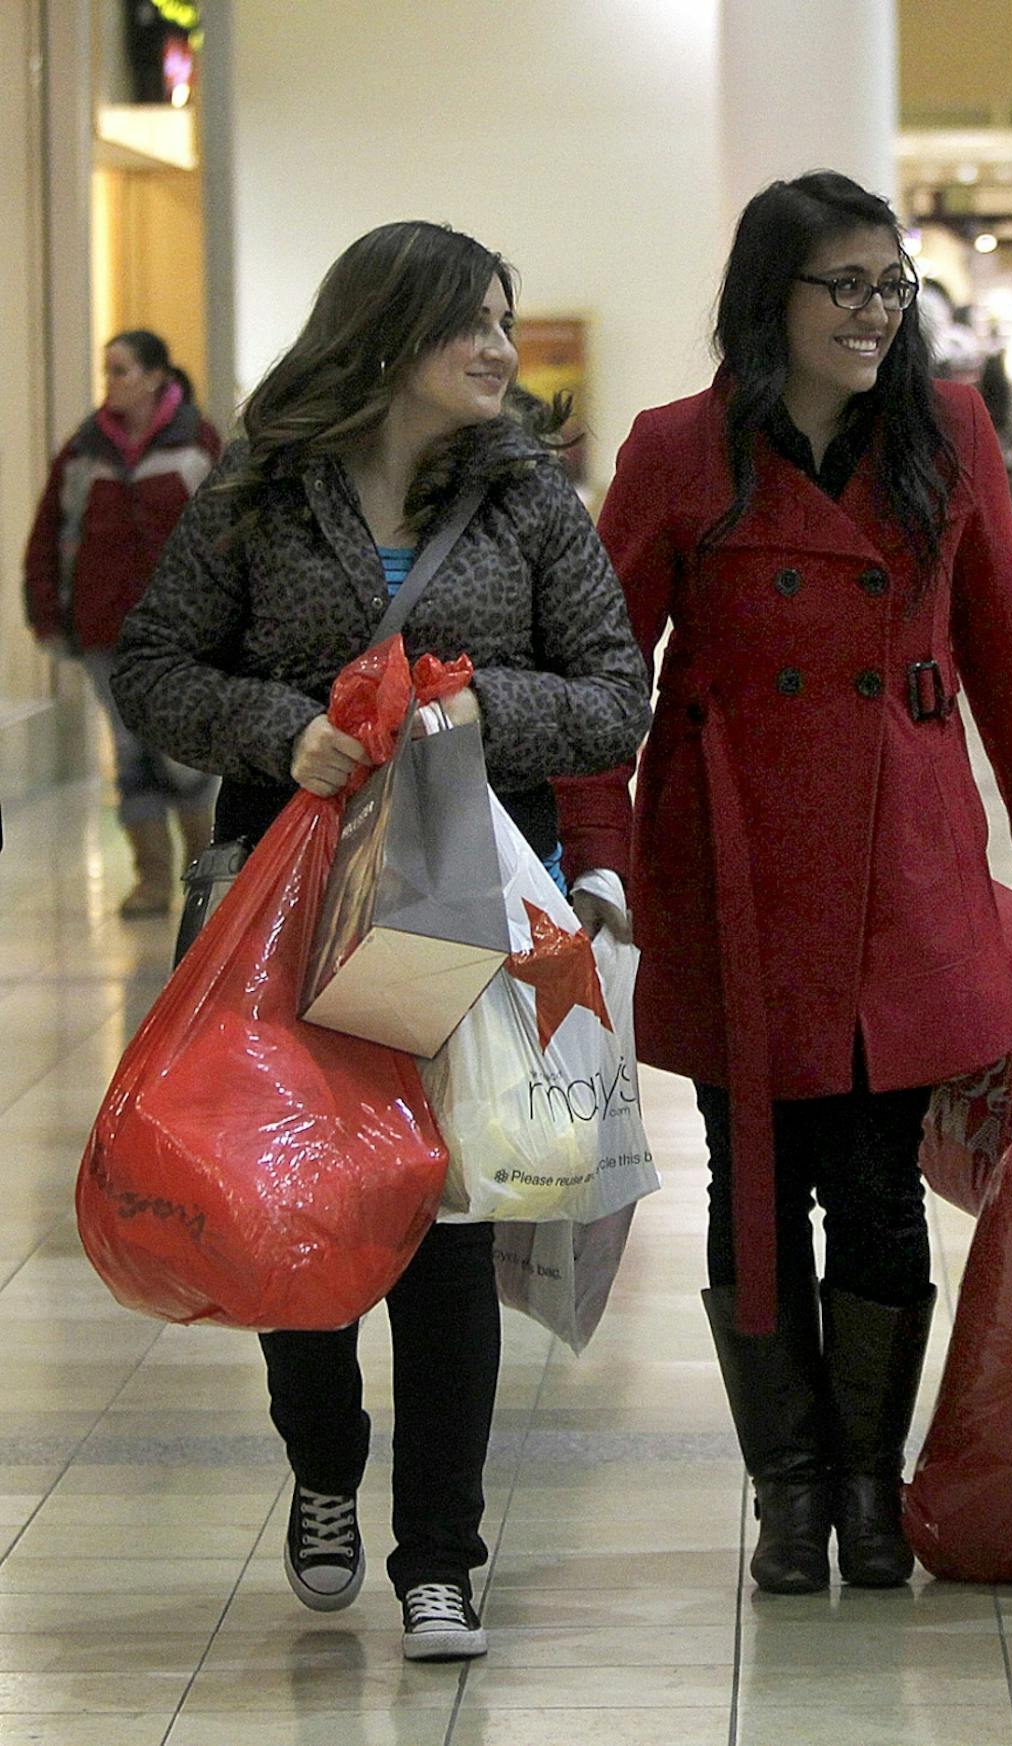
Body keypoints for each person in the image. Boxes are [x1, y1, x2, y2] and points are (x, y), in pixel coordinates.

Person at [110, 221, 650, 1661]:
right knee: (299, 1193)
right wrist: (273, 732)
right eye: (468, 321)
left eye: (502, 316)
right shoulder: (259, 493)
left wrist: (493, 715)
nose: (497, 346)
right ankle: (322, 1455)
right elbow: (153, 665)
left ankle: (441, 1557)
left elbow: (616, 694)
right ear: (384, 336)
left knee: (445, 1221)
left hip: (461, 902)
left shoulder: (531, 497)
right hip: (279, 902)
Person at [554, 170, 1012, 1597]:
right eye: (844, 286)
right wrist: (600, 857)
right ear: (770, 302)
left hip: (900, 859)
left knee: (874, 1182)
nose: (873, 314)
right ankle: (786, 1489)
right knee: (753, 1173)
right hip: (730, 858)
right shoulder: (678, 448)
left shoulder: (950, 430)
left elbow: (1009, 662)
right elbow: (608, 680)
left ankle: (868, 1484)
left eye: (889, 286)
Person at [22, 329, 222, 915]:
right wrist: (46, 614)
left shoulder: (197, 443)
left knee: (185, 757)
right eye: (106, 371)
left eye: (123, 370)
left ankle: (205, 881)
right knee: (131, 752)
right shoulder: (84, 451)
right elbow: (49, 534)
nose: (111, 382)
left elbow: (228, 536)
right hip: (105, 631)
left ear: (159, 376)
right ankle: (152, 881)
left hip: (186, 633)